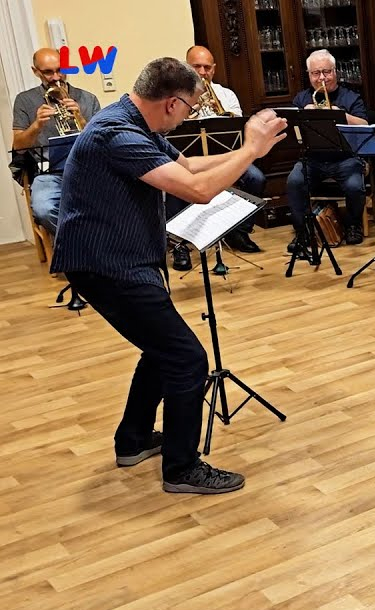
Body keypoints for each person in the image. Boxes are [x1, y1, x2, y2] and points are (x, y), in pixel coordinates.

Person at [49, 57, 287, 494]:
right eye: (191, 109)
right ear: (173, 103)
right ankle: (182, 467)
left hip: (121, 259)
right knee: (186, 359)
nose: (189, 116)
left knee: (161, 351)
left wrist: (251, 150)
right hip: (106, 265)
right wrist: (251, 150)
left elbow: (191, 168)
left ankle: (133, 439)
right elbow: (197, 191)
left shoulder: (134, 121)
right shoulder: (116, 134)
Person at [177, 45, 266, 256]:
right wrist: (191, 110)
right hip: (190, 161)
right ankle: (180, 243)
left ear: (214, 69)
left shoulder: (226, 95)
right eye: (196, 66)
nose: (202, 72)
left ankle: (239, 231)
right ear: (185, 67)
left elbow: (237, 126)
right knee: (172, 181)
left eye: (207, 67)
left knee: (256, 178)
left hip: (226, 157)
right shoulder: (176, 97)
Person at [12, 47, 103, 235]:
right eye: (47, 72)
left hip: (89, 170)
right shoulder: (25, 100)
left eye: (60, 70)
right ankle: (85, 245)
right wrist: (36, 125)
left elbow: (103, 141)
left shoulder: (88, 98)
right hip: (48, 173)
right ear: (35, 71)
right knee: (44, 209)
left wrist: (81, 118)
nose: (56, 77)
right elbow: (19, 146)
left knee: (121, 201)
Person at [285, 49, 369, 251]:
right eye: (316, 73)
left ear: (335, 72)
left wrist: (343, 115)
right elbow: (290, 129)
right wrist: (302, 115)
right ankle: (303, 232)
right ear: (309, 75)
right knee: (294, 181)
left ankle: (352, 225)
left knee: (355, 186)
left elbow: (365, 124)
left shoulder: (351, 97)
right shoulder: (302, 98)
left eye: (326, 72)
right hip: (312, 158)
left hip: (345, 158)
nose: (321, 78)